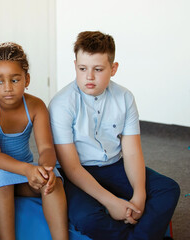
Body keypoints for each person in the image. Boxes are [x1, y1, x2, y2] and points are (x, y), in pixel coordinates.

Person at [49, 31, 180, 240]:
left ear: (113, 68)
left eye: (98, 69)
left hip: (115, 165)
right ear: (75, 66)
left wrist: (139, 195)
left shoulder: (125, 97)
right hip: (75, 173)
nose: (89, 76)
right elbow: (71, 167)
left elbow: (132, 153)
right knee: (87, 218)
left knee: (168, 189)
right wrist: (111, 202)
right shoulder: (61, 104)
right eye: (82, 69)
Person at [0, 42, 68, 240]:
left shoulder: (36, 106)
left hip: (24, 170)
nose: (7, 88)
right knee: (3, 184)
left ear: (26, 79)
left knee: (53, 181)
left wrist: (46, 168)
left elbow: (46, 147)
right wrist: (27, 170)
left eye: (14, 80)